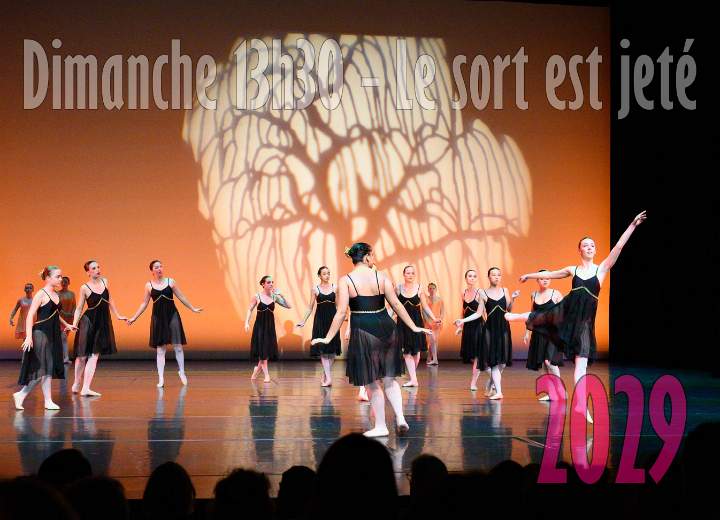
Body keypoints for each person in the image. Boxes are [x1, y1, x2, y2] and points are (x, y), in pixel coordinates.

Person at [506, 210, 647, 420]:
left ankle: (581, 405)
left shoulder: (601, 269)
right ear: (579, 250)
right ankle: (516, 316)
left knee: (581, 366)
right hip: (568, 311)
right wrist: (529, 275)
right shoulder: (573, 270)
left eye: (592, 245)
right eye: (585, 245)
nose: (589, 248)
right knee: (542, 315)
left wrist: (633, 225)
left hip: (584, 324)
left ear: (595, 250)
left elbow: (618, 246)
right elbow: (551, 274)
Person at [312, 243, 431, 437]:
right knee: (390, 379)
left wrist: (327, 337)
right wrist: (414, 326)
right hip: (387, 328)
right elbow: (396, 305)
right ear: (366, 257)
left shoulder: (346, 280)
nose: (374, 259)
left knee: (372, 382)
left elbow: (341, 313)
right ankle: (400, 417)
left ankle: (381, 425)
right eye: (372, 255)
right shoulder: (381, 276)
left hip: (364, 330)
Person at [127, 260, 202, 387]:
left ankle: (182, 372)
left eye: (161, 266)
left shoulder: (170, 282)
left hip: (172, 315)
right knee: (160, 349)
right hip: (158, 317)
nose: (159, 269)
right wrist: (134, 318)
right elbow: (144, 303)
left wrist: (192, 308)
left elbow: (181, 297)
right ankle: (161, 378)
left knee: (178, 346)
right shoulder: (149, 285)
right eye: (156, 267)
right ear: (152, 271)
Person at [13, 266, 76, 410]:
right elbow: (30, 315)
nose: (61, 279)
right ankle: (33, 397)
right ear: (48, 278)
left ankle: (27, 396)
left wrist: (67, 324)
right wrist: (29, 336)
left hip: (53, 333)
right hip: (41, 333)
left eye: (61, 276)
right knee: (44, 368)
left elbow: (55, 314)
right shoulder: (41, 294)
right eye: (58, 276)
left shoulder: (56, 294)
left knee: (48, 368)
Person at [456, 268, 519, 400]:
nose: (496, 277)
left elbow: (509, 309)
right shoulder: (483, 293)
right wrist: (463, 321)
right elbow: (478, 313)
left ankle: (490, 384)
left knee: (502, 363)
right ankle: (499, 392)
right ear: (489, 277)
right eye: (493, 275)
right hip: (489, 329)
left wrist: (513, 299)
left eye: (498, 275)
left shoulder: (505, 291)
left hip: (503, 328)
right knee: (494, 362)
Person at [71, 260, 126, 397]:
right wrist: (74, 323)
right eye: (94, 268)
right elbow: (79, 308)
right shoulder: (84, 288)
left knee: (94, 355)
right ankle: (77, 382)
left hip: (101, 322)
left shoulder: (105, 282)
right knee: (82, 356)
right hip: (88, 322)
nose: (97, 270)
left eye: (98, 267)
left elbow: (110, 300)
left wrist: (118, 315)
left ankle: (86, 388)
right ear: (88, 272)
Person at [394, 266, 440, 388]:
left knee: (416, 352)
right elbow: (393, 305)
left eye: (412, 273)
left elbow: (425, 306)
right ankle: (414, 379)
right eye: (408, 273)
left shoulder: (419, 288)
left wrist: (434, 318)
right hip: (403, 322)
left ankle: (412, 378)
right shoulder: (398, 288)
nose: (410, 275)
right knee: (407, 351)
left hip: (416, 321)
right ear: (404, 274)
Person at [297, 266, 341, 386]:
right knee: (323, 349)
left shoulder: (335, 287)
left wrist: (343, 317)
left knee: (332, 351)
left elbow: (338, 306)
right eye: (324, 274)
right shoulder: (315, 289)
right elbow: (310, 307)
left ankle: (325, 374)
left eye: (328, 273)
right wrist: (303, 321)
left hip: (333, 320)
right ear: (319, 276)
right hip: (320, 320)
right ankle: (329, 378)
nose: (327, 275)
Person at [524, 270, 563, 401]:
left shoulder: (556, 294)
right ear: (537, 280)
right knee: (544, 364)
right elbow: (531, 315)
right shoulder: (534, 294)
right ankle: (551, 393)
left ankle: (560, 390)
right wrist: (527, 332)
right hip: (539, 333)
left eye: (547, 278)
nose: (545, 280)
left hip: (553, 333)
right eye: (542, 278)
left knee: (550, 362)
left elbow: (563, 313)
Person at [245, 275, 292, 383]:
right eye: (268, 282)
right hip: (260, 327)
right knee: (263, 351)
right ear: (263, 284)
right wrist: (246, 322)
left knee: (265, 351)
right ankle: (267, 375)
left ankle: (256, 371)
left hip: (270, 327)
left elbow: (289, 306)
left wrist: (281, 295)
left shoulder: (275, 297)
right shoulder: (257, 296)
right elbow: (250, 309)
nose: (271, 284)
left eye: (272, 282)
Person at [423, 282, 444, 366]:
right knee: (432, 341)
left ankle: (431, 358)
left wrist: (440, 320)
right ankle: (433, 359)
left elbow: (442, 312)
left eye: (433, 288)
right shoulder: (425, 299)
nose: (431, 290)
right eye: (430, 288)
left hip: (437, 323)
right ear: (428, 289)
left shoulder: (440, 300)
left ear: (436, 289)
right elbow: (424, 312)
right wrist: (428, 322)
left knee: (434, 341)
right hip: (428, 323)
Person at [58, 277, 75, 364]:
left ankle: (63, 357)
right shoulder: (57, 293)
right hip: (61, 318)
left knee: (64, 338)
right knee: (63, 337)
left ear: (69, 283)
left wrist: (72, 313)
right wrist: (64, 313)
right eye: (62, 282)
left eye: (65, 282)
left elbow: (74, 305)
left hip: (70, 318)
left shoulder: (72, 294)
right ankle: (65, 357)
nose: (64, 283)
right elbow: (57, 307)